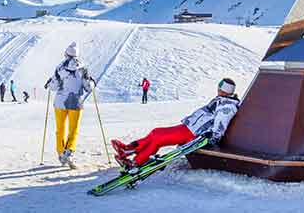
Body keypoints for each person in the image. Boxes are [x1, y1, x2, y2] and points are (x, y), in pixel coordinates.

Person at [112, 78, 240, 173]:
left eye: (220, 87)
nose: (217, 89)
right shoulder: (222, 101)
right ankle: (129, 153)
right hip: (189, 128)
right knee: (156, 133)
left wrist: (212, 138)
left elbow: (220, 125)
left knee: (157, 137)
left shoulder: (227, 106)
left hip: (192, 133)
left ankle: (133, 159)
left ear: (224, 89)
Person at [44, 41, 96, 168]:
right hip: (76, 103)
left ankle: (61, 153)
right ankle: (69, 152)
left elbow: (54, 86)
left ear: (66, 54)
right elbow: (88, 87)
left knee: (60, 129)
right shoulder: (83, 68)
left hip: (60, 102)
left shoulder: (60, 67)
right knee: (74, 129)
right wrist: (92, 83)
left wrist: (49, 83)